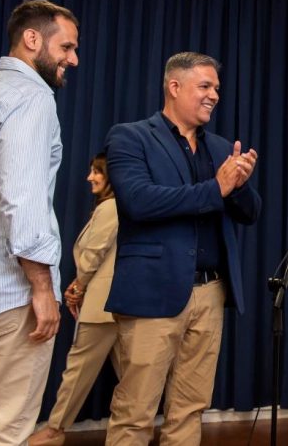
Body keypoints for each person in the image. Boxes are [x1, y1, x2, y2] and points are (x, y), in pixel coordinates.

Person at [103, 52, 261, 445]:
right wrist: (217, 188)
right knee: (135, 412)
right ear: (174, 87)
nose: (214, 96)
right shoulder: (130, 137)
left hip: (210, 293)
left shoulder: (221, 147)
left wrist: (239, 185)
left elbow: (250, 213)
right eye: (205, 86)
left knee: (190, 409)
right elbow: (139, 201)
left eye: (217, 88)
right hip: (152, 292)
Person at [0, 0, 79, 445]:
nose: (73, 59)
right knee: (3, 434)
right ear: (31, 39)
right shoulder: (32, 97)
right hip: (9, 294)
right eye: (66, 47)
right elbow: (22, 199)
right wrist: (42, 288)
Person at [28, 153, 120, 446]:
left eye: (97, 172)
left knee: (78, 370)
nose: (90, 177)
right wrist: (79, 285)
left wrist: (79, 287)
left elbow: (94, 254)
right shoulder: (114, 206)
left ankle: (54, 430)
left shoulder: (110, 207)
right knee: (133, 376)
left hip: (102, 306)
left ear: (111, 177)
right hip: (115, 304)